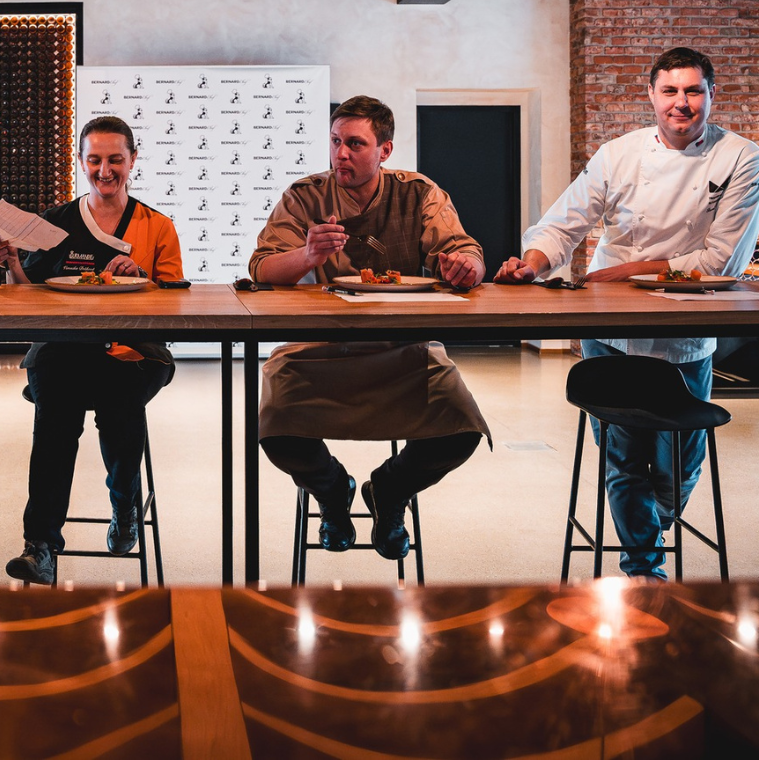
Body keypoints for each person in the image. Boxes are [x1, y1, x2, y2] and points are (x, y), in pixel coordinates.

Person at [495, 46, 759, 580]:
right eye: (670, 90)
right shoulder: (618, 154)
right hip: (610, 331)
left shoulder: (741, 157)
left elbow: (720, 262)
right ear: (651, 95)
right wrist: (532, 263)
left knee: (679, 468)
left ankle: (651, 523)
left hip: (685, 336)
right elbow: (564, 222)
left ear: (712, 95)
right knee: (622, 456)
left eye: (693, 91)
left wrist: (628, 270)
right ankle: (644, 568)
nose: (681, 102)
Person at [248, 95, 490, 560]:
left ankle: (389, 490)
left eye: (355, 144)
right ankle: (333, 490)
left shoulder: (418, 193)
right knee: (274, 428)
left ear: (385, 150)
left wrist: (466, 267)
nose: (341, 153)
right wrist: (307, 255)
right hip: (318, 347)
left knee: (462, 429)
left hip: (403, 347)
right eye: (335, 141)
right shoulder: (305, 196)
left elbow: (465, 251)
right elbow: (262, 268)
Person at [0, 116, 183, 586]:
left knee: (120, 408)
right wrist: (12, 263)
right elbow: (28, 295)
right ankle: (40, 545)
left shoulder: (158, 226)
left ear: (133, 161)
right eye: (94, 160)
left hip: (133, 351)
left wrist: (142, 278)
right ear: (81, 162)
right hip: (63, 350)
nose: (105, 170)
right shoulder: (55, 222)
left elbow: (175, 305)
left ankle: (124, 506)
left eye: (115, 159)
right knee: (54, 421)